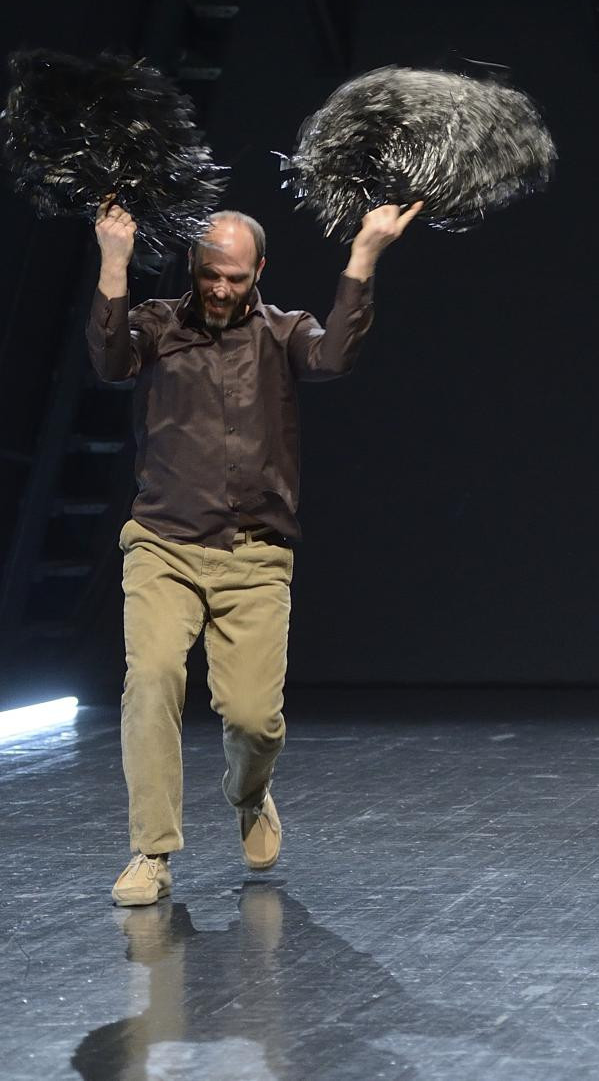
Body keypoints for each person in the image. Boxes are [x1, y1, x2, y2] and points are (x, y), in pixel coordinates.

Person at [88, 199, 420, 905]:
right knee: (151, 679)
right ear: (192, 266)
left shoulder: (283, 332)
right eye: (209, 274)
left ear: (259, 271)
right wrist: (114, 261)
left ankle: (248, 795)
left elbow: (335, 355)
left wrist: (364, 254)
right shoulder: (157, 324)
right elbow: (110, 360)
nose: (219, 289)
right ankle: (152, 851)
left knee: (253, 719)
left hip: (256, 554)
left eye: (235, 278)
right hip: (164, 545)